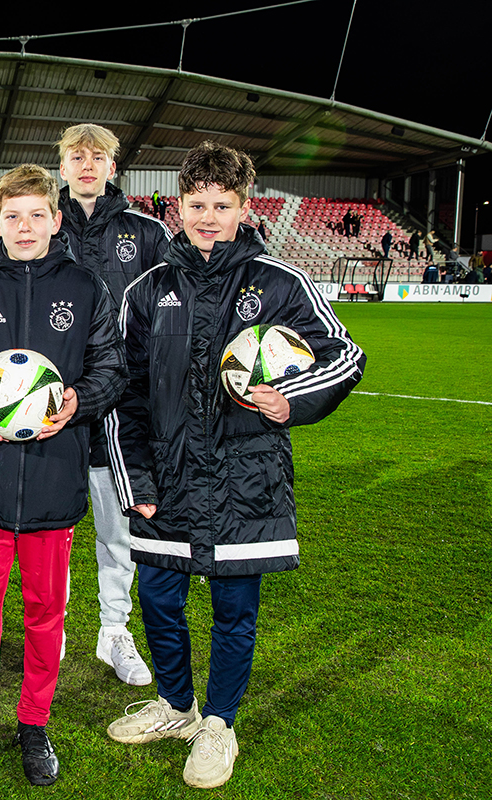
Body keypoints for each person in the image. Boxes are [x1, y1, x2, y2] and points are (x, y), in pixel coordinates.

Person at [105, 141, 365, 789]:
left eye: (223, 205)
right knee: (160, 604)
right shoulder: (147, 290)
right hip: (163, 484)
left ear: (244, 207)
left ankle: (218, 722)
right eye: (197, 204)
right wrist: (134, 479)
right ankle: (176, 705)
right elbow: (121, 395)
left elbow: (344, 353)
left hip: (246, 480)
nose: (209, 216)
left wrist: (291, 399)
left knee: (233, 612)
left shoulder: (280, 283)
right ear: (178, 207)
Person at [0, 164, 127, 787]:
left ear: (55, 219)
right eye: (11, 215)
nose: (24, 226)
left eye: (36, 215)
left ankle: (34, 724)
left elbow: (110, 368)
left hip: (53, 479)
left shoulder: (85, 286)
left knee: (46, 615)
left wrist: (77, 403)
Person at [56, 122, 171, 686]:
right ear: (61, 167)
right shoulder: (40, 224)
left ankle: (113, 633)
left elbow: (170, 312)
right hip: (48, 409)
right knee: (49, 528)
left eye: (96, 156)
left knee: (117, 531)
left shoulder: (145, 233)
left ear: (112, 166)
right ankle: (48, 630)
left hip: (119, 410)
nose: (86, 165)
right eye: (76, 156)